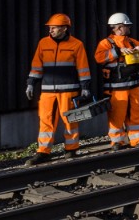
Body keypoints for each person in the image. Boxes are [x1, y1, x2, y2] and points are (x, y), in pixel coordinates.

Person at [25, 13, 92, 165]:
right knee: (45, 121)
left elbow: (83, 68)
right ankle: (43, 152)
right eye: (50, 28)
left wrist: (85, 87)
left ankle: (71, 149)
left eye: (54, 28)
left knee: (70, 120)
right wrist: (31, 83)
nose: (51, 31)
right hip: (47, 90)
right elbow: (36, 66)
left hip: (69, 90)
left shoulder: (76, 45)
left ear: (64, 28)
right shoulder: (43, 43)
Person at [94, 12, 139, 149]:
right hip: (116, 88)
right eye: (127, 26)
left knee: (135, 113)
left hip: (134, 86)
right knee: (117, 115)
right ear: (118, 27)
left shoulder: (131, 41)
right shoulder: (106, 43)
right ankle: (117, 141)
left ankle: (137, 140)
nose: (129, 28)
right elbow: (99, 58)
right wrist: (119, 51)